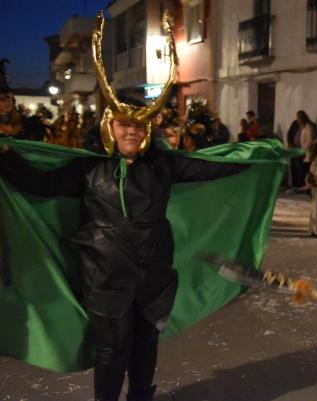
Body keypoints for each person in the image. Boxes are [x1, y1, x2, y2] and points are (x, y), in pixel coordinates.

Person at [0, 15, 251, 401]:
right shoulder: (87, 167)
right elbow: (41, 185)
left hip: (153, 277)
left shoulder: (162, 165)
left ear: (147, 129)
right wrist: (5, 157)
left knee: (145, 348)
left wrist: (261, 157)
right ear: (110, 127)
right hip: (105, 279)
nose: (131, 130)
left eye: (139, 125)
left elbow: (211, 167)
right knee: (112, 350)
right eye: (123, 124)